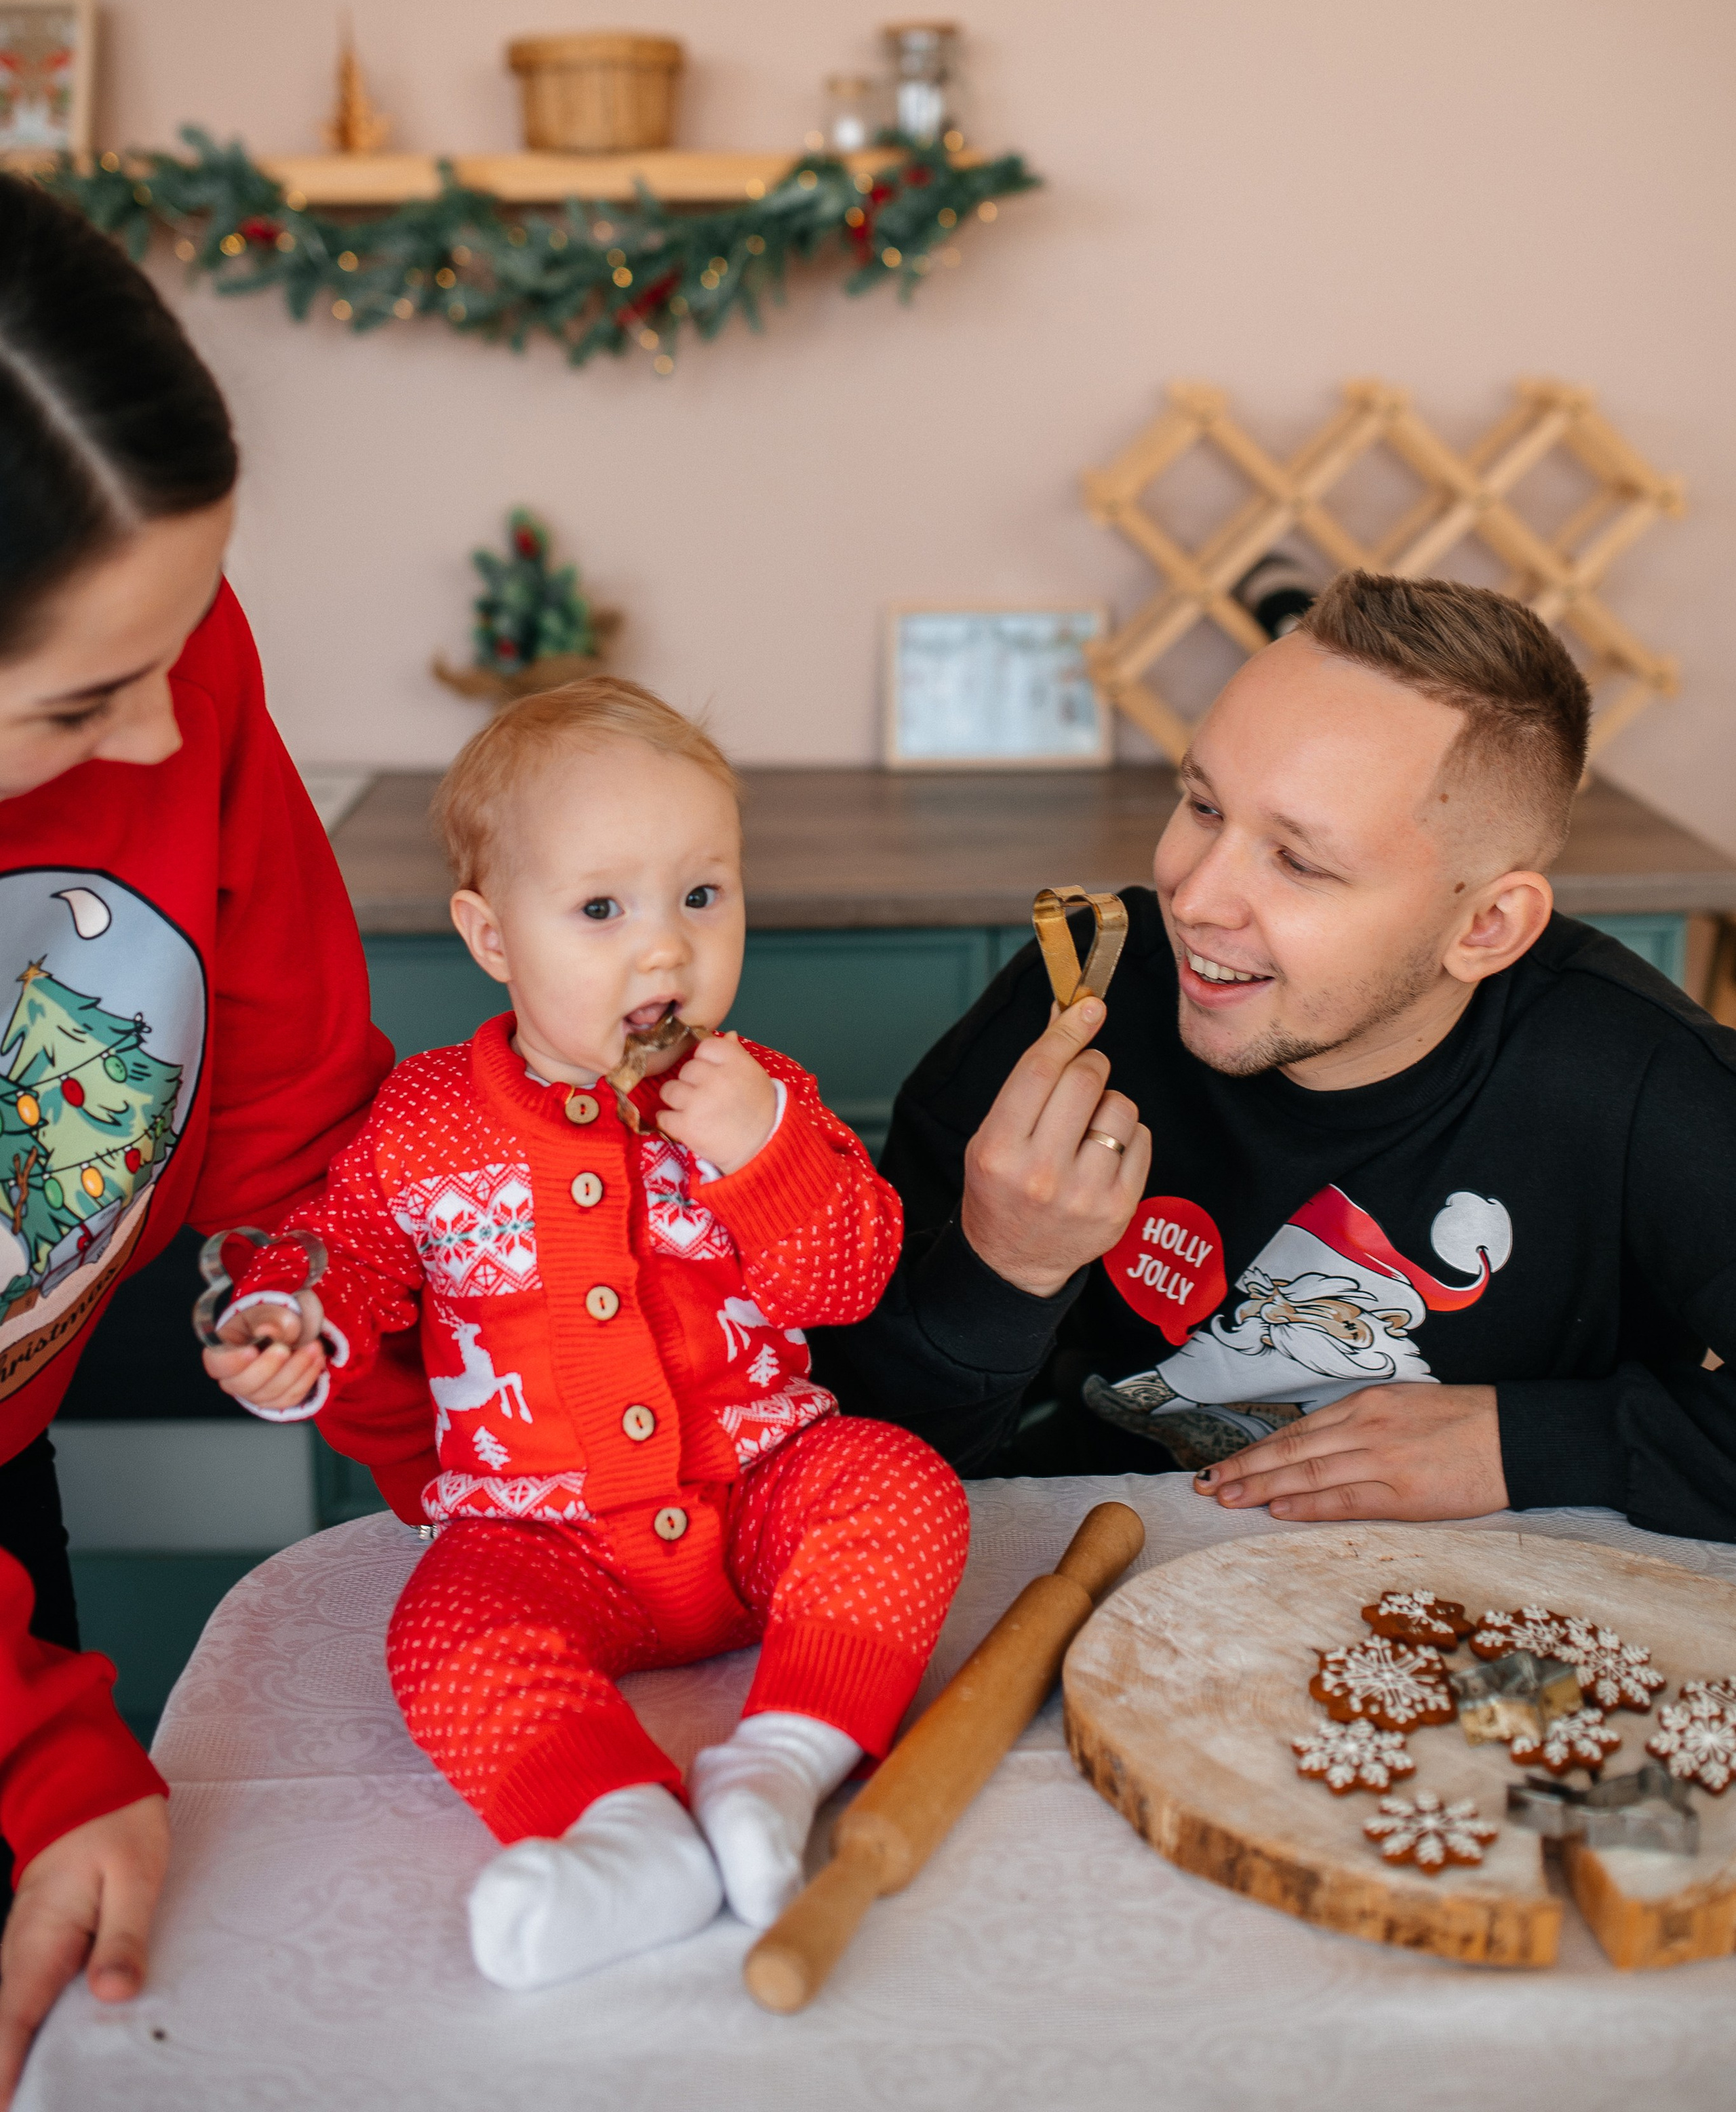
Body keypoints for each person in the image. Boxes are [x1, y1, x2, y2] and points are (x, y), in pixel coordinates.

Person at [205, 677, 968, 1991]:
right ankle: (621, 1836)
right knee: (439, 1633)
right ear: (491, 935)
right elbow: (347, 1253)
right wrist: (289, 1320)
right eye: (603, 910)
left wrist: (764, 1153)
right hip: (538, 1539)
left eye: (701, 895)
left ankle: (781, 1761)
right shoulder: (424, 1121)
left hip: (756, 1496)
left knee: (900, 1483)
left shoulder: (760, 1095)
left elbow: (850, 1282)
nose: (664, 952)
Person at [816, 572, 1736, 1542]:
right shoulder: (1082, 991)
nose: (1193, 899)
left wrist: (1524, 1444)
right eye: (1204, 806)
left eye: (1300, 861)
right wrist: (1000, 1268)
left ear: (1486, 926)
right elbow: (838, 1452)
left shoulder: (1647, 1083)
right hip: (1105, 1555)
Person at [0, 173, 390, 2100]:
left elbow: (289, 1088)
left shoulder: (167, 666)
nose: (168, 737)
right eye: (84, 701)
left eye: (188, 635)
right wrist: (40, 1751)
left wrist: (378, 1336)